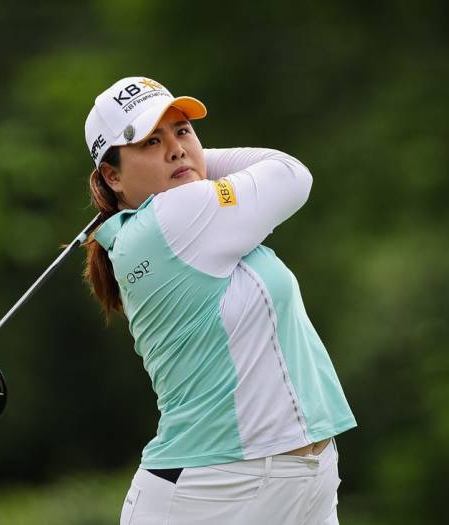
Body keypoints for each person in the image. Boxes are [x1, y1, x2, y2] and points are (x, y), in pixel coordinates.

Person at [82, 76, 357, 525]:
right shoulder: (174, 217)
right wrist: (193, 163)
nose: (175, 148)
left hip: (301, 482)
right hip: (211, 495)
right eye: (151, 141)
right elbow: (290, 173)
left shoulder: (179, 220)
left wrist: (182, 162)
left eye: (183, 131)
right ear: (111, 176)